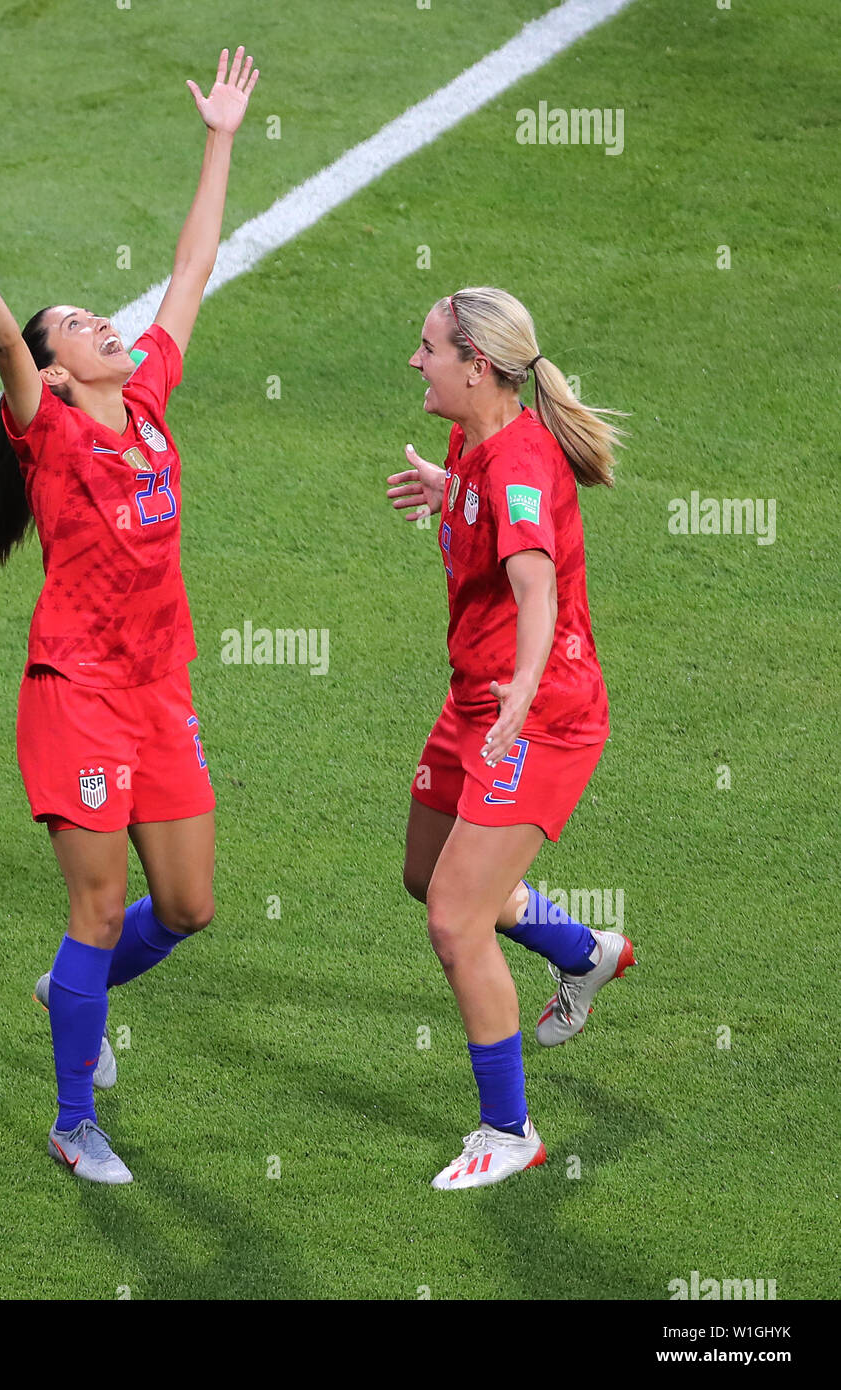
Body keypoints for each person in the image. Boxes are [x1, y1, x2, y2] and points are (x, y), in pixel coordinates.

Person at [0, 46, 259, 1185]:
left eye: (99, 317)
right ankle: (72, 1120)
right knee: (98, 908)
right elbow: (3, 340)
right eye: (77, 326)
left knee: (191, 904)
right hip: (78, 696)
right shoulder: (49, 430)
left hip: (161, 689)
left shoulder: (147, 391)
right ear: (53, 373)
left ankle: (76, 991)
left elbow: (192, 263)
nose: (102, 322)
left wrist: (219, 134)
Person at [386, 286, 635, 1190]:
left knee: (455, 920)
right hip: (475, 702)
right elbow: (495, 519)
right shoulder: (475, 443)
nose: (416, 362)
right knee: (427, 877)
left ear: (475, 365)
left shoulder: (520, 465)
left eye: (427, 349)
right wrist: (451, 493)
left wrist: (523, 696)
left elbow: (538, 594)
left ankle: (507, 1130)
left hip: (538, 718)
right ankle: (584, 953)